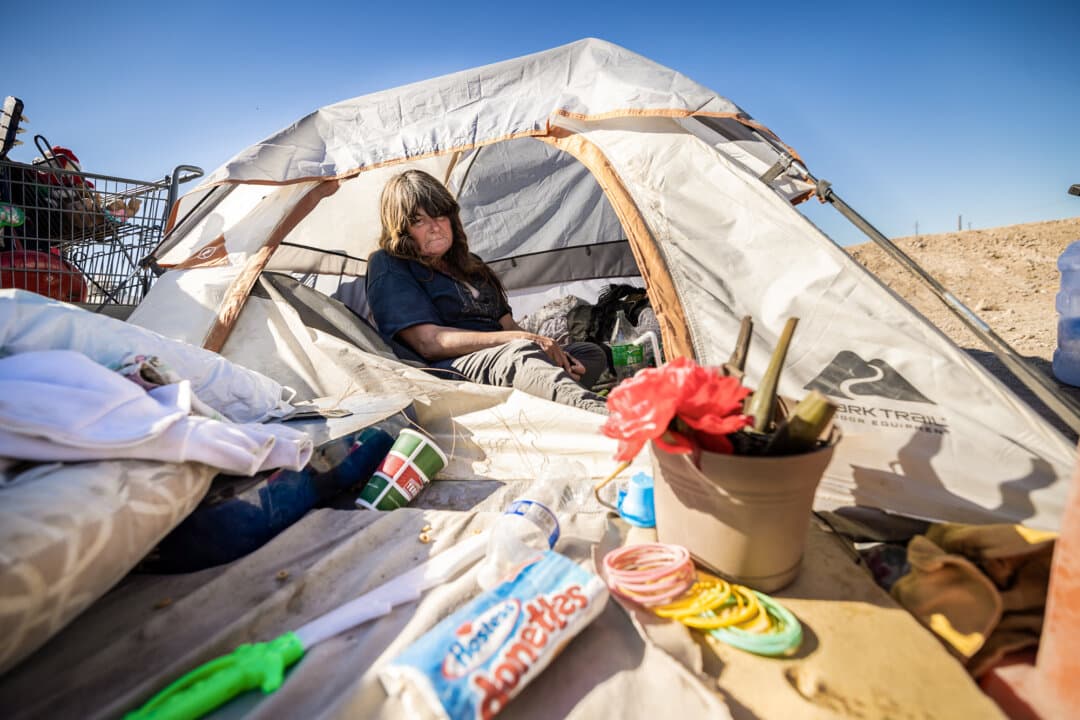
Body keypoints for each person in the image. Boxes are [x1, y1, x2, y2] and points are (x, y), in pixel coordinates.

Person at [365, 169, 608, 414]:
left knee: (587, 353)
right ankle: (603, 416)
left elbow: (509, 327)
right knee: (520, 356)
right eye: (418, 221)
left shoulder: (470, 264)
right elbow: (429, 342)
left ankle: (549, 393)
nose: (434, 227)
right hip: (447, 370)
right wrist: (520, 342)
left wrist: (552, 353)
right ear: (402, 229)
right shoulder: (389, 264)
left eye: (439, 216)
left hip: (504, 355)